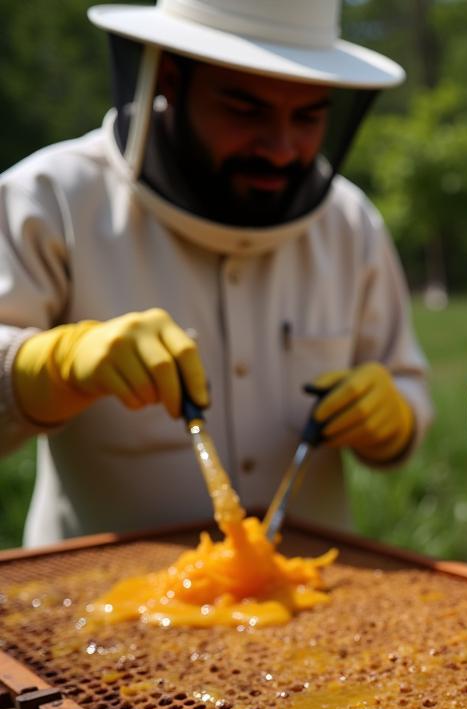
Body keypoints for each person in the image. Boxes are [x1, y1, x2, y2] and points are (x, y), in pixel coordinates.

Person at [0, 0, 432, 545]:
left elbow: (408, 393)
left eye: (308, 116)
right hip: (104, 608)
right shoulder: (51, 201)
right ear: (172, 82)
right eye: (245, 109)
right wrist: (50, 366)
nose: (280, 149)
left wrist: (393, 420)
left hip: (314, 603)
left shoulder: (349, 223)